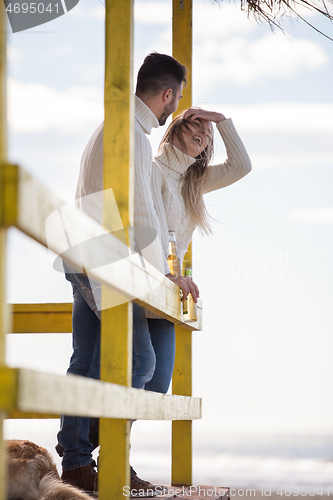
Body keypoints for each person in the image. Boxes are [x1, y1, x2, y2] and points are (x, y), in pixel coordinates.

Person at [57, 52, 197, 496]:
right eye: (176, 100)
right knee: (137, 361)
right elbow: (139, 214)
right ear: (168, 95)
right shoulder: (132, 134)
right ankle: (88, 457)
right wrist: (163, 279)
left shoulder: (124, 126)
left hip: (94, 258)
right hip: (104, 262)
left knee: (92, 362)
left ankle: (85, 461)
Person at [142, 107, 252, 393]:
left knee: (156, 386)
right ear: (176, 128)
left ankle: (104, 439)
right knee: (133, 375)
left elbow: (241, 166)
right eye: (195, 127)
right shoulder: (151, 168)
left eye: (207, 133)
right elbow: (146, 230)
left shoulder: (194, 181)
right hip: (144, 281)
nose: (203, 134)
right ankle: (84, 440)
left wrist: (221, 120)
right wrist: (164, 273)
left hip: (168, 291)